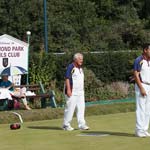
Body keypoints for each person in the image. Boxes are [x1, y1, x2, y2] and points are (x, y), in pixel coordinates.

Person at [62, 53, 89, 131]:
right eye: (80, 59)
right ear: (75, 59)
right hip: (72, 92)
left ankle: (82, 125)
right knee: (70, 108)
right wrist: (69, 90)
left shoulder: (80, 68)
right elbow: (67, 78)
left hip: (80, 92)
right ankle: (66, 125)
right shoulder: (71, 67)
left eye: (82, 59)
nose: (82, 60)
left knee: (81, 108)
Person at [134, 43, 150, 137]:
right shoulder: (139, 60)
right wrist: (141, 88)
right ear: (145, 50)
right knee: (141, 108)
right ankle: (139, 130)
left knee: (148, 109)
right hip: (142, 85)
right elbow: (136, 75)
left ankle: (144, 129)